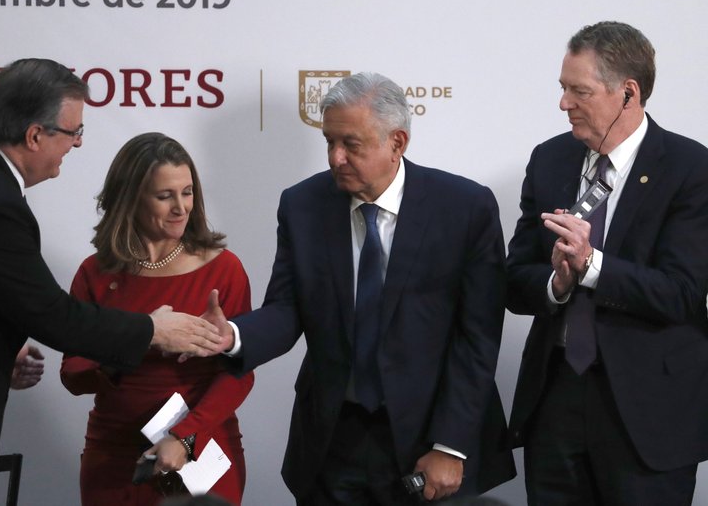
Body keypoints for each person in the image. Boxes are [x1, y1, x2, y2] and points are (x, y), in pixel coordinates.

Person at [0, 59, 224, 506]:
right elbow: (53, 318)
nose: (76, 144)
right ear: (36, 135)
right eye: (73, 132)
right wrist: (154, 330)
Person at [204, 72, 516, 504]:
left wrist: (449, 445)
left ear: (397, 142)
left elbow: (477, 337)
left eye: (351, 144)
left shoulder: (464, 208)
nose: (335, 158)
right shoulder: (302, 205)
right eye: (329, 142)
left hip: (431, 439)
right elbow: (288, 309)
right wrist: (234, 335)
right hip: (334, 441)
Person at [507, 21, 708, 505]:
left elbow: (681, 293)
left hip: (647, 416)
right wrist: (556, 282)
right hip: (554, 404)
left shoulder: (690, 168)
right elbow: (513, 281)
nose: (563, 104)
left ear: (628, 93)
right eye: (563, 88)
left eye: (580, 91)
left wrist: (591, 264)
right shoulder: (549, 159)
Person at [61, 133, 253, 506]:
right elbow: (73, 374)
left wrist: (185, 436)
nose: (181, 207)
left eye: (187, 192)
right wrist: (141, 338)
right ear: (130, 198)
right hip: (116, 457)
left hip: (200, 450)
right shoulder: (94, 273)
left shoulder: (224, 270)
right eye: (165, 196)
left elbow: (240, 373)